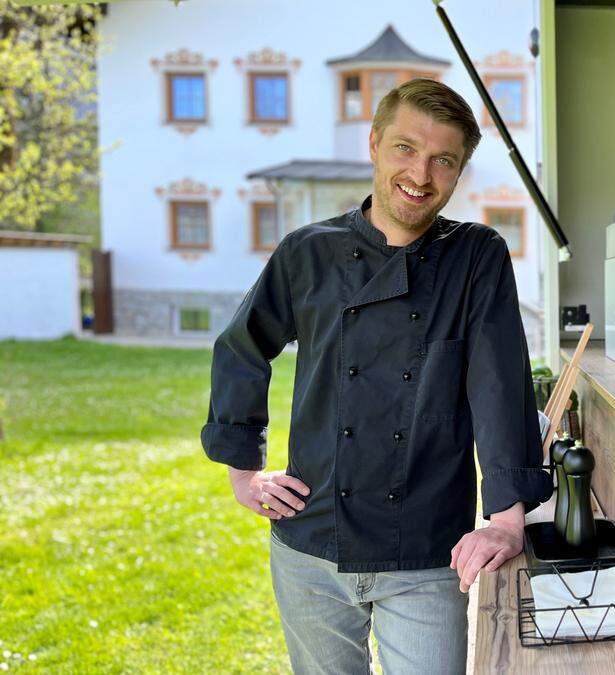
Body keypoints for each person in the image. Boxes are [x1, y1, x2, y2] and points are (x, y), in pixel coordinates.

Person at [200, 78, 553, 674]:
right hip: (311, 544)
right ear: (373, 144)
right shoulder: (306, 252)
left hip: (424, 550)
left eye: (444, 160)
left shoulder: (475, 256)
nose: (421, 173)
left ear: (459, 171)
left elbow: (498, 383)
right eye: (405, 149)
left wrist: (505, 520)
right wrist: (244, 472)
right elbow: (241, 347)